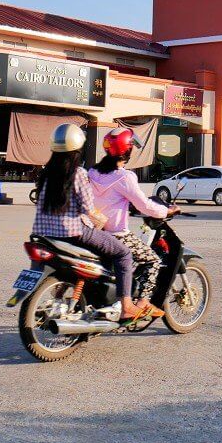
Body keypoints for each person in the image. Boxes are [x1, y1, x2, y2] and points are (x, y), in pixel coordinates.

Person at [32, 123, 146, 323]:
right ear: (78, 150)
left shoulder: (46, 174)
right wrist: (102, 219)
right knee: (123, 253)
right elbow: (88, 209)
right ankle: (127, 305)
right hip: (74, 232)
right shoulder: (78, 173)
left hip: (43, 234)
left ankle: (65, 295)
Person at [89, 128, 178, 318]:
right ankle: (143, 303)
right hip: (117, 234)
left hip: (95, 232)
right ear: (127, 150)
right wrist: (167, 210)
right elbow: (145, 206)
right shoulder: (125, 177)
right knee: (153, 260)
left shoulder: (93, 172)